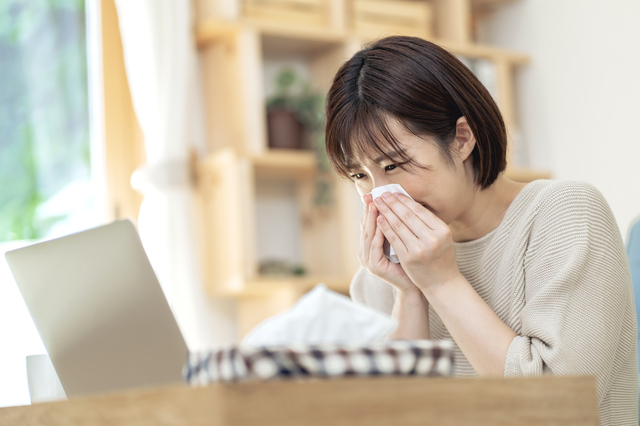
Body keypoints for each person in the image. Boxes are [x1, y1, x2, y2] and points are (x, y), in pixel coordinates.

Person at [324, 35, 637, 425]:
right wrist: (410, 294)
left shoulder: (564, 215)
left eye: (394, 165)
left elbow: (558, 410)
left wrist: (441, 282)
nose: (379, 194)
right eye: (359, 175)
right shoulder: (381, 275)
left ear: (461, 138)